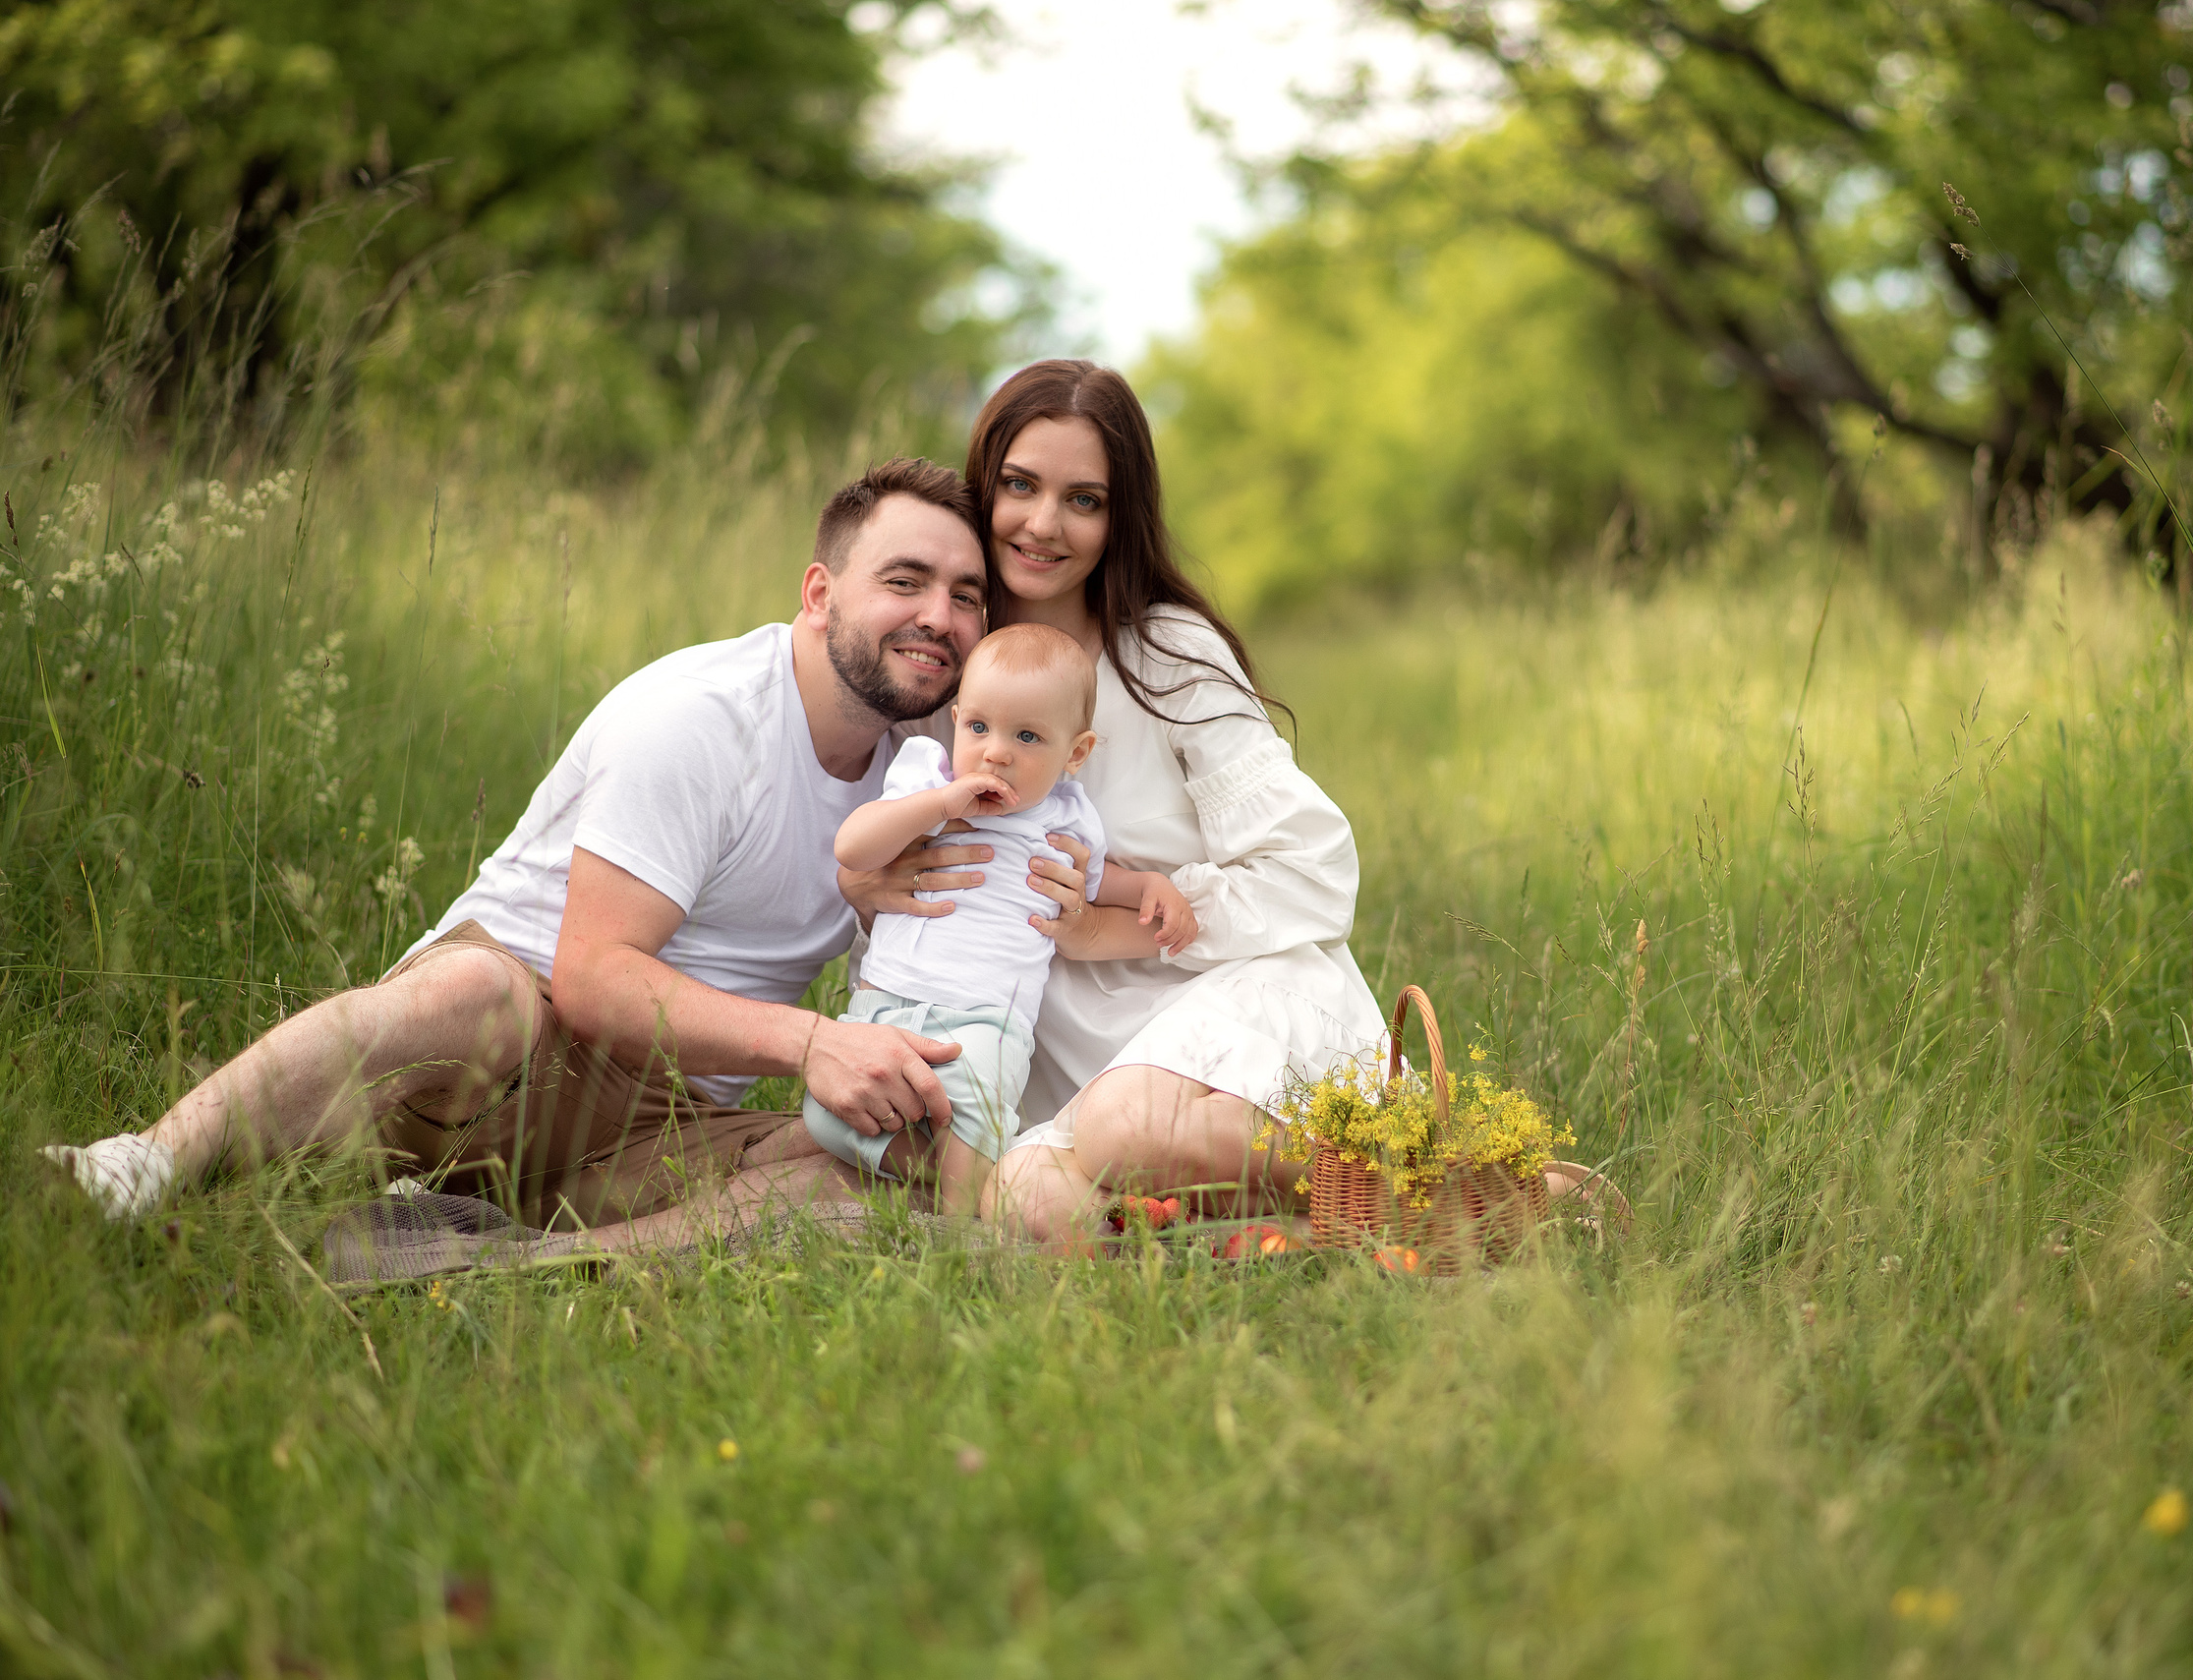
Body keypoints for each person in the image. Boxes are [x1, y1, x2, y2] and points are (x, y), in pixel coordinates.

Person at [43, 458, 991, 1243]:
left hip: (666, 1126)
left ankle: (513, 1266)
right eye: (904, 581)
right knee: (477, 992)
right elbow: (590, 976)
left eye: (966, 596)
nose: (938, 618)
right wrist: (814, 1042)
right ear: (821, 594)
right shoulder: (702, 717)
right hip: (506, 1052)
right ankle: (144, 1165)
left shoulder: (932, 775)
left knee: (867, 1176)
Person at [844, 362, 1390, 1245]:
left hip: (1228, 1020)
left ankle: (1452, 1179)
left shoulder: (1165, 653)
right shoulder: (951, 654)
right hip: (1057, 1058)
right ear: (984, 488)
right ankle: (1276, 1232)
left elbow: (1312, 873)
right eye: (1019, 485)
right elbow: (903, 873)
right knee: (1033, 1208)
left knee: (1131, 1128)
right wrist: (863, 890)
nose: (1043, 524)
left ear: (1118, 515)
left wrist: (1111, 921)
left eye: (1084, 499)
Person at [806, 622, 1198, 1213]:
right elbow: (853, 849)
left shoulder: (1066, 820)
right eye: (980, 727)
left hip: (986, 1021)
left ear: (1076, 754)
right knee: (824, 1116)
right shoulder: (927, 780)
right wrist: (937, 805)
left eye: (1028, 736)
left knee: (977, 1109)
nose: (996, 752)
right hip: (885, 1000)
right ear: (957, 720)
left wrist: (1148, 885)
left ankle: (964, 1238)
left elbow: (1097, 882)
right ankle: (961, 1176)